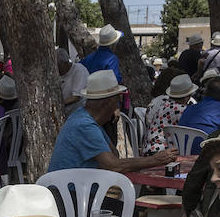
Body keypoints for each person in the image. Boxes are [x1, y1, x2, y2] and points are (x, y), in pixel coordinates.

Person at [48, 71, 180, 173]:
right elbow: (113, 165)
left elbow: (114, 156)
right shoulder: (84, 124)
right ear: (108, 103)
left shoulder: (89, 120)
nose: (119, 103)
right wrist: (155, 160)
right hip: (70, 194)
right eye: (118, 99)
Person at [142, 74, 198, 154]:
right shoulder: (180, 110)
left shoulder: (166, 104)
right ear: (187, 97)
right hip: (162, 151)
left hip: (150, 148)